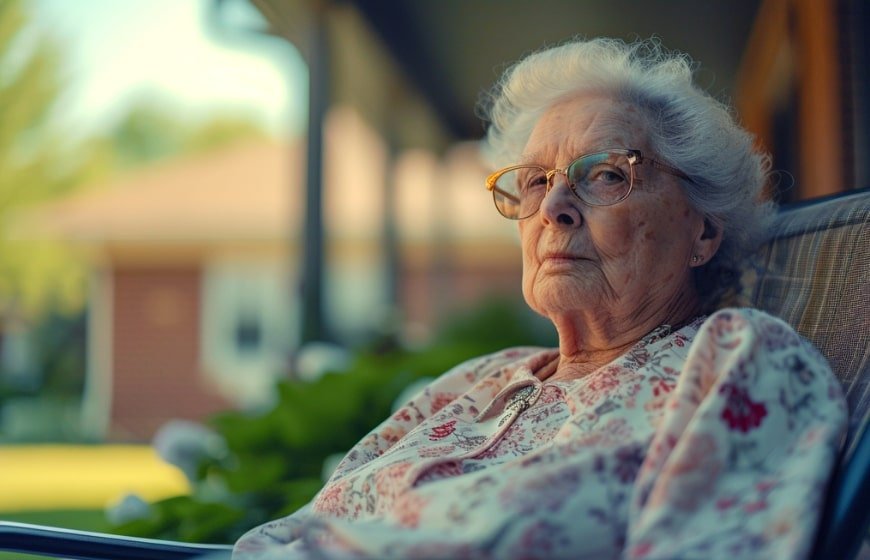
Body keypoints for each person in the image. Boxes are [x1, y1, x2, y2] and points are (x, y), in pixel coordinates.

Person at [233, 38, 846, 559]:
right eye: (533, 182)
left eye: (606, 174)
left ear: (703, 231)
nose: (552, 207)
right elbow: (288, 534)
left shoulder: (735, 362)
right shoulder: (478, 381)